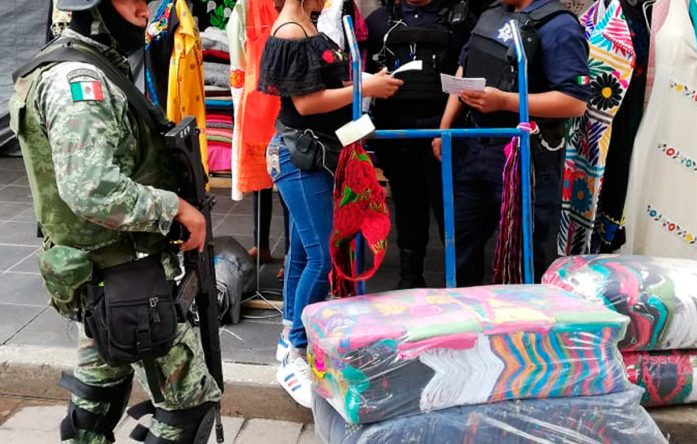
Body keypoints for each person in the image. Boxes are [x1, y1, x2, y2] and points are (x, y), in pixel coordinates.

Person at [9, 0, 222, 442]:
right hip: (127, 275)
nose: (147, 9)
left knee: (98, 393)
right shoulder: (80, 81)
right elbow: (91, 187)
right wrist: (177, 209)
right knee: (188, 411)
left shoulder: (80, 64)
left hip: (109, 279)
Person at [258, 0, 402, 407]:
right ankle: (294, 348)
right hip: (299, 156)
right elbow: (306, 104)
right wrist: (366, 87)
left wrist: (364, 81)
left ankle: (290, 337)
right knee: (323, 255)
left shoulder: (308, 23)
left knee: (305, 253)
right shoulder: (290, 30)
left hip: (316, 154)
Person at [433, 0, 590, 286]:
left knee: (527, 255)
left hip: (526, 155)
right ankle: (462, 321)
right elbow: (463, 70)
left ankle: (528, 325)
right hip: (471, 146)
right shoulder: (491, 13)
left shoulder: (561, 26)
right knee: (459, 249)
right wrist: (444, 129)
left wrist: (505, 101)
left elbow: (574, 102)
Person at [366, 0, 473, 288]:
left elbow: (466, 78)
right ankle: (410, 279)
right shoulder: (378, 22)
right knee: (407, 207)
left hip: (444, 132)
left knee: (450, 209)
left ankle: (460, 284)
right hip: (397, 134)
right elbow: (366, 79)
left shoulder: (460, 23)